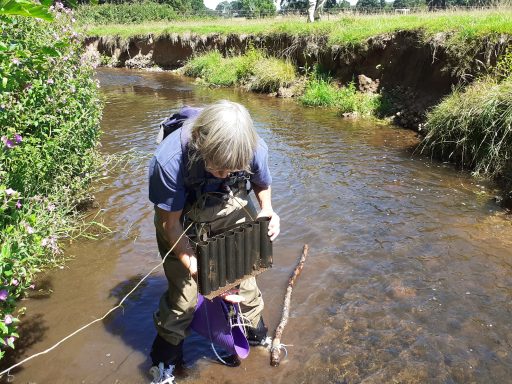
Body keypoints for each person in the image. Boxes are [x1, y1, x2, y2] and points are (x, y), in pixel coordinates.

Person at [147, 100, 280, 384]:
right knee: (183, 301)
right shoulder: (169, 162)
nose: (226, 175)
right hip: (183, 225)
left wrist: (267, 209)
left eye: (234, 170)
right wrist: (199, 269)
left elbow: (262, 182)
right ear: (200, 144)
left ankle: (257, 338)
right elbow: (169, 226)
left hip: (232, 212)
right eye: (219, 169)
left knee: (245, 285)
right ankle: (164, 365)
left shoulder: (253, 146)